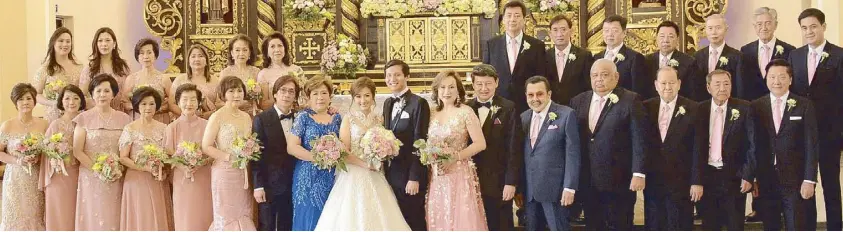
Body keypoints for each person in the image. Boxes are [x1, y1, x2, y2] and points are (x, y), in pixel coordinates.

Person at [314, 77, 411, 231]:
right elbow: (344, 151)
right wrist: (366, 165)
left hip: (376, 172)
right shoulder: (348, 119)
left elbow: (387, 143)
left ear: (373, 96)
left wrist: (384, 153)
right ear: (353, 98)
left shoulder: (380, 119)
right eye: (358, 96)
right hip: (354, 172)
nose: (363, 100)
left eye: (366, 95)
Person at [569, 59, 648, 230]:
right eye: (595, 75)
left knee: (619, 224)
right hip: (588, 179)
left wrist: (638, 172)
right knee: (593, 224)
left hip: (619, 178)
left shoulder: (630, 100)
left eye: (604, 75)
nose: (599, 79)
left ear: (616, 77)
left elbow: (639, 138)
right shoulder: (578, 101)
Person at [788, 8, 843, 230]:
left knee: (831, 185)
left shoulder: (839, 55)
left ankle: (835, 227)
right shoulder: (795, 55)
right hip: (802, 133)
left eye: (813, 26)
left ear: (823, 27)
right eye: (804, 28)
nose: (809, 31)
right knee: (806, 184)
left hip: (830, 132)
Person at [751, 59, 818, 230]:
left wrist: (809, 179)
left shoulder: (804, 105)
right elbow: (752, 145)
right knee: (770, 225)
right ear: (766, 80)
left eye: (782, 77)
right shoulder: (756, 106)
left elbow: (812, 144)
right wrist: (754, 178)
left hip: (795, 179)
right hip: (766, 178)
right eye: (772, 77)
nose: (777, 81)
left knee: (796, 224)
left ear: (790, 79)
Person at [424, 70, 488, 230]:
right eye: (442, 87)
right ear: (437, 91)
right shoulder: (431, 113)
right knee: (439, 216)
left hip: (459, 173)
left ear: (458, 90)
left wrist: (455, 157)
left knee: (461, 218)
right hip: (437, 176)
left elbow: (480, 143)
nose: (447, 92)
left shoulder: (465, 112)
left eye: (451, 87)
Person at [642, 67, 702, 230]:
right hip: (653, 179)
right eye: (663, 83)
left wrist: (696, 181)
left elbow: (698, 147)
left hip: (682, 180)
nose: (667, 87)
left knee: (679, 223)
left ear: (679, 84)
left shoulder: (693, 108)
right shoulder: (645, 107)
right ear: (656, 85)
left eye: (671, 82)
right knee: (654, 222)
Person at [466, 64, 524, 231]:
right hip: (471, 179)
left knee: (501, 224)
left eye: (488, 83)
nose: (484, 88)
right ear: (473, 84)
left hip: (499, 181)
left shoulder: (508, 107)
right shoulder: (466, 108)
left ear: (496, 82)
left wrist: (511, 182)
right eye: (479, 84)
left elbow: (514, 148)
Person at [520, 75, 581, 230]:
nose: (535, 99)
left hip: (556, 190)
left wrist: (569, 187)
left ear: (549, 94)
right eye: (530, 95)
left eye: (540, 94)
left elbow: (573, 154)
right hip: (530, 191)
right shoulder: (523, 117)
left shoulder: (566, 115)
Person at [697, 70, 755, 230]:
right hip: (707, 176)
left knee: (734, 224)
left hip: (734, 177)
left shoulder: (744, 108)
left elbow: (753, 145)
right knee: (709, 224)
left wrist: (748, 175)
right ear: (708, 88)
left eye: (726, 84)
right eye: (717, 84)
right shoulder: (699, 109)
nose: (722, 88)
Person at [73, 74, 132, 230]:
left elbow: (127, 149)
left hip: (117, 174)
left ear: (113, 94)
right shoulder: (83, 118)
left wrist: (114, 169)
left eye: (107, 91)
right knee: (94, 214)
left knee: (115, 213)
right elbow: (77, 151)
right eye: (98, 91)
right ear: (92, 94)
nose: (102, 95)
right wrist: (98, 169)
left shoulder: (125, 119)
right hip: (91, 175)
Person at [285, 75, 342, 231]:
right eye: (315, 93)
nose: (320, 97)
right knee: (308, 217)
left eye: (323, 93)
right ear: (308, 97)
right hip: (307, 176)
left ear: (330, 96)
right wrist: (318, 158)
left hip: (332, 176)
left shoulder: (337, 118)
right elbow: (292, 147)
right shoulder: (303, 117)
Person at [201, 76, 257, 231]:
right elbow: (206, 146)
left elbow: (250, 141)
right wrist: (228, 157)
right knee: (225, 213)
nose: (236, 94)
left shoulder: (246, 117)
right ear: (223, 93)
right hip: (224, 172)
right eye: (231, 91)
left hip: (243, 172)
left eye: (239, 90)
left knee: (243, 211)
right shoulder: (217, 116)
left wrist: (251, 150)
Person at [382, 60, 430, 231]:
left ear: (406, 76)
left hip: (410, 174)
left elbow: (421, 141)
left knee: (414, 219)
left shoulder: (419, 103)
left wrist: (414, 177)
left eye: (397, 74)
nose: (392, 79)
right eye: (388, 75)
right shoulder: (387, 103)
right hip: (392, 172)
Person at [118, 87, 171, 230]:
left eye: (152, 104)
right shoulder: (130, 128)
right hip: (136, 180)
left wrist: (163, 169)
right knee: (140, 216)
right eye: (143, 104)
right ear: (136, 106)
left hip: (157, 179)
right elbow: (123, 158)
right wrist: (146, 168)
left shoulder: (165, 128)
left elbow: (169, 155)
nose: (148, 107)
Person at [252, 75, 299, 231]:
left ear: (295, 96)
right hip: (269, 183)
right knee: (267, 226)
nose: (287, 95)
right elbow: (256, 155)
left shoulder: (300, 118)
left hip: (294, 182)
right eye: (283, 90)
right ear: (275, 94)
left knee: (288, 225)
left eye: (291, 92)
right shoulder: (261, 119)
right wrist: (258, 186)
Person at [0, 83, 49, 230]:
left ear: (34, 101)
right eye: (21, 99)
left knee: (35, 214)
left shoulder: (44, 124)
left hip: (35, 176)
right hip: (15, 177)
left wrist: (39, 158)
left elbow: (49, 150)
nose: (25, 102)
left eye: (29, 98)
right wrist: (18, 160)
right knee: (16, 214)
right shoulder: (7, 125)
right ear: (15, 102)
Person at [483, 0, 546, 113]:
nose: (512, 19)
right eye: (509, 15)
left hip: (527, 105)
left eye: (517, 16)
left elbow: (541, 75)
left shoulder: (537, 46)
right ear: (503, 19)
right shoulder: (491, 44)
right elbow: (486, 75)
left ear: (523, 19)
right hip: (499, 105)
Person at [165, 84, 213, 230]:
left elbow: (213, 151)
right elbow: (168, 153)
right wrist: (183, 166)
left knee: (205, 213)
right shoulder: (172, 127)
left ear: (199, 103)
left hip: (204, 176)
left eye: (193, 99)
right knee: (184, 215)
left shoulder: (207, 125)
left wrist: (200, 163)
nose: (189, 104)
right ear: (178, 102)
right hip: (182, 177)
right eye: (185, 99)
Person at [39, 85, 85, 230]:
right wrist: (56, 160)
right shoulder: (55, 124)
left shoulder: (85, 123)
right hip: (59, 175)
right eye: (67, 98)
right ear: (61, 101)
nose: (72, 102)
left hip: (81, 174)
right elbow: (47, 151)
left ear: (81, 101)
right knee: (60, 211)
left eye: (76, 98)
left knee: (78, 211)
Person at [739, 7, 796, 101]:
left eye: (768, 23)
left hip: (780, 103)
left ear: (776, 25)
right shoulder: (745, 50)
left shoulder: (789, 50)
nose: (764, 28)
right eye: (759, 24)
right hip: (753, 104)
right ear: (754, 27)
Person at [33, 27, 83, 122]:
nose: (65, 44)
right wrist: (51, 103)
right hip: (53, 116)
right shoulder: (45, 69)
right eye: (61, 41)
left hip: (75, 116)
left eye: (68, 41)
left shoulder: (79, 67)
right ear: (53, 43)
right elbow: (36, 94)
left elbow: (84, 93)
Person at [594, 15, 650, 98]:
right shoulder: (597, 57)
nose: (610, 34)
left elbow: (638, 92)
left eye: (615, 31)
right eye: (606, 30)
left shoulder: (635, 58)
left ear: (624, 33)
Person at [544, 15, 594, 106]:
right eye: (555, 30)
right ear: (550, 34)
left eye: (563, 29)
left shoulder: (584, 56)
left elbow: (588, 86)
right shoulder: (544, 56)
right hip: (550, 108)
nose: (559, 34)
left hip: (576, 108)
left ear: (571, 31)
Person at [80, 27, 132, 113]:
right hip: (98, 114)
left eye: (108, 40)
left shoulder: (124, 66)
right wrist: (97, 104)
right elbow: (82, 95)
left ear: (114, 43)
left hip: (121, 113)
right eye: (100, 41)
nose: (104, 44)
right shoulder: (90, 68)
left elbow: (130, 92)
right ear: (96, 44)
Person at [124, 38, 176, 123]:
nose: (146, 56)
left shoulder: (164, 78)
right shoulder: (131, 79)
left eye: (149, 52)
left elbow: (172, 103)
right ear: (137, 56)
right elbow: (125, 103)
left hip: (160, 120)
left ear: (155, 55)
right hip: (138, 121)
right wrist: (140, 108)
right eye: (142, 53)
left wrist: (156, 108)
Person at [692, 14, 743, 101]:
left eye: (718, 28)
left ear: (726, 30)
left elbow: (739, 88)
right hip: (703, 106)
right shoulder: (697, 56)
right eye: (710, 28)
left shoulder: (737, 56)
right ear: (705, 30)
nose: (714, 32)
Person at [645, 21, 698, 99]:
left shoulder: (689, 62)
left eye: (671, 36)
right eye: (662, 36)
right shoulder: (646, 61)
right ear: (656, 38)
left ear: (677, 39)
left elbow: (692, 93)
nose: (666, 40)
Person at [171, 44, 221, 119]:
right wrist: (189, 114)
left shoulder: (216, 80)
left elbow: (222, 105)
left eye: (200, 56)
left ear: (206, 61)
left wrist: (210, 114)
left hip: (210, 121)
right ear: (189, 61)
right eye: (193, 56)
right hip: (185, 121)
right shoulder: (180, 80)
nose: (197, 59)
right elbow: (171, 104)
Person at [257, 32, 304, 110]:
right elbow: (263, 104)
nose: (277, 50)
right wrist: (284, 100)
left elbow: (304, 97)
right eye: (272, 46)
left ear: (285, 49)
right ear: (267, 52)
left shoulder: (297, 70)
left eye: (280, 46)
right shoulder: (263, 74)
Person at [219, 34, 262, 115]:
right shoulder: (225, 73)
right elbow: (219, 101)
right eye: (237, 50)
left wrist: (258, 94)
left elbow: (261, 101)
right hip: (231, 114)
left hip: (251, 114)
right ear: (232, 53)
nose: (241, 53)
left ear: (249, 53)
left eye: (245, 50)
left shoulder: (256, 72)